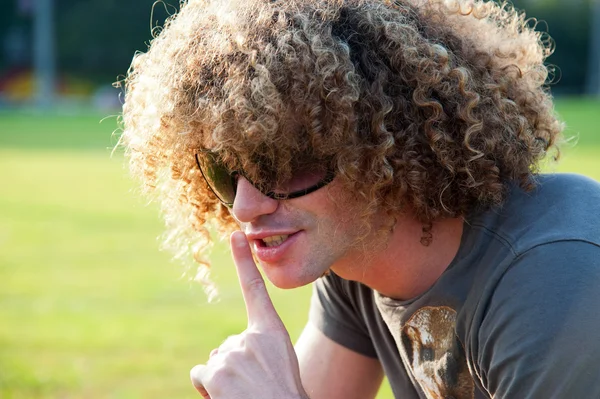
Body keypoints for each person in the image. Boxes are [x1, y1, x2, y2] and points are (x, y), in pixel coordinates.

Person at [120, 0, 600, 397]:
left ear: (383, 142)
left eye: (283, 164)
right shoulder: (356, 263)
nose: (244, 208)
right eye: (225, 172)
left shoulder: (553, 273)